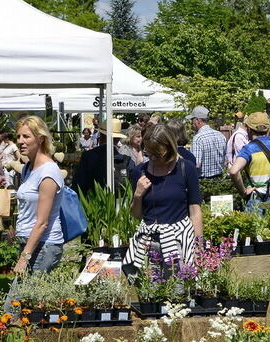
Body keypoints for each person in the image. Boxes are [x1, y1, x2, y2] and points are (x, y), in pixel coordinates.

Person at [124, 123, 203, 268]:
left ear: (170, 148)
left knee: (179, 288)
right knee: (149, 289)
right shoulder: (139, 172)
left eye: (157, 154)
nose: (153, 158)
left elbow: (195, 210)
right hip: (148, 243)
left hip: (179, 241)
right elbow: (136, 215)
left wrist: (198, 246)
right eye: (149, 153)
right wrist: (137, 195)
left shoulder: (186, 168)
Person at [13, 116, 64, 274]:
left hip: (43, 245)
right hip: (29, 242)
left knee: (20, 298)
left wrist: (24, 258)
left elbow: (42, 222)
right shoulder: (29, 168)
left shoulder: (48, 172)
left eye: (26, 136)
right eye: (18, 136)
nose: (20, 141)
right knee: (26, 298)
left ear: (41, 139)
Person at [228, 112, 270, 210]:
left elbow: (233, 171)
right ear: (268, 129)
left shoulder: (249, 149)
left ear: (249, 129)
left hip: (257, 198)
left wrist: (243, 192)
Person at [73, 118, 128, 196]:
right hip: (121, 205)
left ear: (101, 136)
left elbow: (78, 184)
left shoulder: (88, 157)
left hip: (92, 204)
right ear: (118, 139)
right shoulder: (126, 160)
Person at [188, 106, 227, 179]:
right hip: (220, 180)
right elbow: (226, 160)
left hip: (204, 181)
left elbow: (196, 164)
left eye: (192, 120)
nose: (191, 123)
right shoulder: (220, 135)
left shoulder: (198, 138)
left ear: (197, 120)